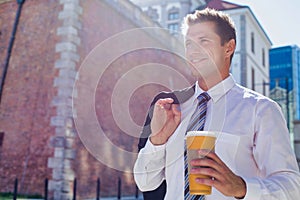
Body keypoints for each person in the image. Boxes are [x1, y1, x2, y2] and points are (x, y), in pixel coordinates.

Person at [133, 8, 300, 200]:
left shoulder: (261, 110)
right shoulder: (175, 110)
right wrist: (158, 140)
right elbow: (145, 183)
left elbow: (292, 187)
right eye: (189, 43)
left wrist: (242, 188)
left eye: (203, 41)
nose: (194, 51)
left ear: (228, 48)